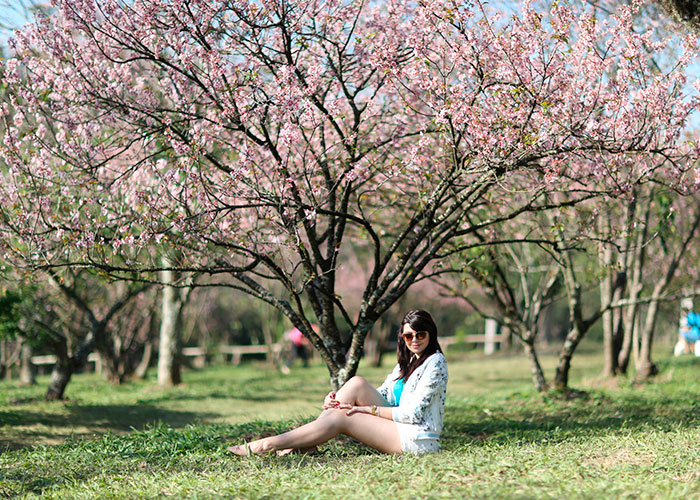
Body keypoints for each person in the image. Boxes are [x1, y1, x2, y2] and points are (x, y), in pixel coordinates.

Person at [228, 309, 448, 455]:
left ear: (430, 335)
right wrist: (338, 398)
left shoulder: (435, 362)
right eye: (409, 336)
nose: (415, 340)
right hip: (399, 424)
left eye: (421, 334)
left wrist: (361, 409)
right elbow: (387, 395)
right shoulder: (408, 360)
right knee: (356, 383)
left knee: (345, 416)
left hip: (417, 438)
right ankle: (307, 442)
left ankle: (269, 443)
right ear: (403, 337)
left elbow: (413, 414)